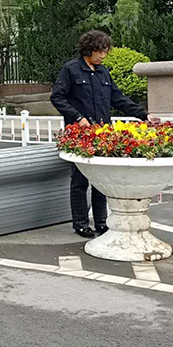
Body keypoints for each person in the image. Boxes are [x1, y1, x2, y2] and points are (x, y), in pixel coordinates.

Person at [50, 30, 158, 238]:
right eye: (100, 51)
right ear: (88, 49)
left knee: (101, 180)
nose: (103, 56)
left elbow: (118, 99)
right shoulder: (71, 70)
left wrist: (144, 115)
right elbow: (57, 97)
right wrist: (77, 117)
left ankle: (101, 222)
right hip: (80, 134)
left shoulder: (103, 72)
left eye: (105, 51)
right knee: (80, 181)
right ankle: (81, 224)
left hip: (102, 133)